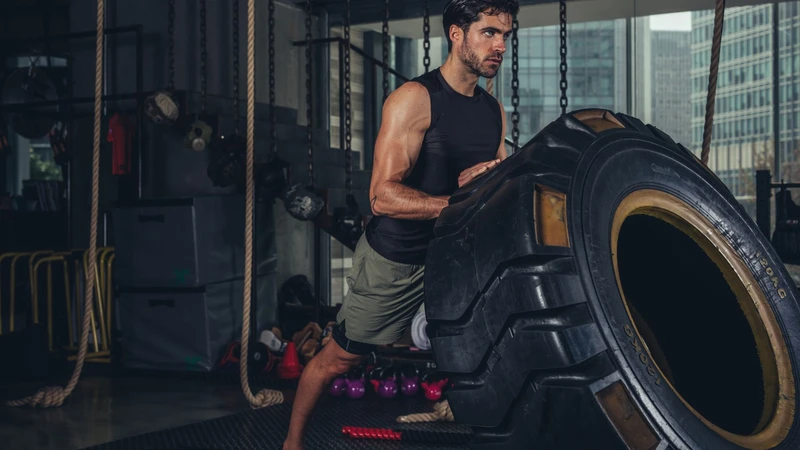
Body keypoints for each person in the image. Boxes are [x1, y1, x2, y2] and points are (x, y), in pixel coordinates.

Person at [283, 1, 518, 448]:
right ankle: (291, 442)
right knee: (340, 359)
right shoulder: (415, 99)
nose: (500, 45)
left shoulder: (493, 111)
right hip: (397, 259)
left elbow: (494, 184)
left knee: (496, 340)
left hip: (454, 259)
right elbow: (382, 196)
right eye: (489, 32)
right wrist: (458, 202)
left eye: (505, 35)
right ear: (456, 34)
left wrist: (492, 182)